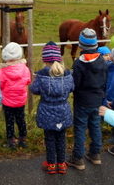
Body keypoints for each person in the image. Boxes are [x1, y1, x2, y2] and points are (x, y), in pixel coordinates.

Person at [30, 41, 74, 175]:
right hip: (63, 111)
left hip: (47, 111)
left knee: (49, 139)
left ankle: (51, 164)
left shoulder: (42, 75)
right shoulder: (67, 74)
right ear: (59, 58)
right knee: (61, 138)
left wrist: (33, 80)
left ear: (45, 59)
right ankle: (61, 164)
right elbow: (72, 87)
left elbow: (34, 89)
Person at [67, 28, 107, 170]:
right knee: (95, 126)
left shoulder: (79, 63)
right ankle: (95, 154)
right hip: (97, 100)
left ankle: (78, 158)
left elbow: (75, 83)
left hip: (82, 101)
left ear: (81, 45)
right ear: (96, 44)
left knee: (80, 128)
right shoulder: (102, 61)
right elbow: (104, 81)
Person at [0, 42, 31, 149]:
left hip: (7, 101)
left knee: (9, 121)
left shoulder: (2, 71)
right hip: (20, 100)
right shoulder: (25, 69)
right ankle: (23, 139)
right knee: (21, 119)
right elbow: (28, 80)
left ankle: (11, 140)